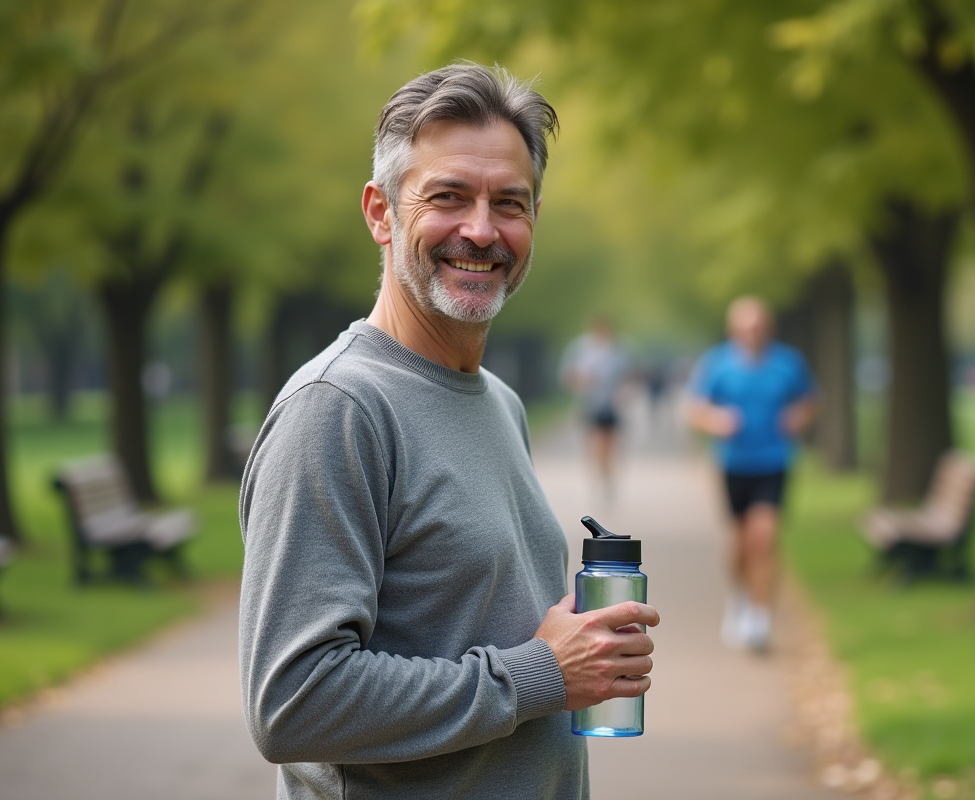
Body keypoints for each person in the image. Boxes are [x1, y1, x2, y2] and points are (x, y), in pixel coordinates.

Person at [238, 64, 659, 800]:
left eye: (511, 203)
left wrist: (575, 657)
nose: (482, 230)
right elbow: (292, 702)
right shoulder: (337, 409)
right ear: (380, 212)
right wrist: (536, 674)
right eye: (448, 197)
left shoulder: (499, 401)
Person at [686, 296, 816, 652]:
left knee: (765, 536)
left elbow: (808, 401)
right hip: (733, 463)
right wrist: (716, 421)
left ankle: (760, 618)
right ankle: (740, 599)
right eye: (745, 328)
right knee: (741, 543)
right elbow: (694, 408)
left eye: (758, 326)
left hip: (774, 462)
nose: (752, 333)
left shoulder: (788, 364)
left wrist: (797, 419)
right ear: (734, 330)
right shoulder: (718, 364)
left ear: (768, 328)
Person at [559, 316, 629, 500]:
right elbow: (568, 377)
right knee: (596, 444)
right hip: (589, 404)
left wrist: (624, 393)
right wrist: (582, 381)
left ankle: (609, 478)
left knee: (611, 446)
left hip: (612, 406)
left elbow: (630, 377)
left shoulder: (619, 350)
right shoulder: (580, 349)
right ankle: (599, 479)